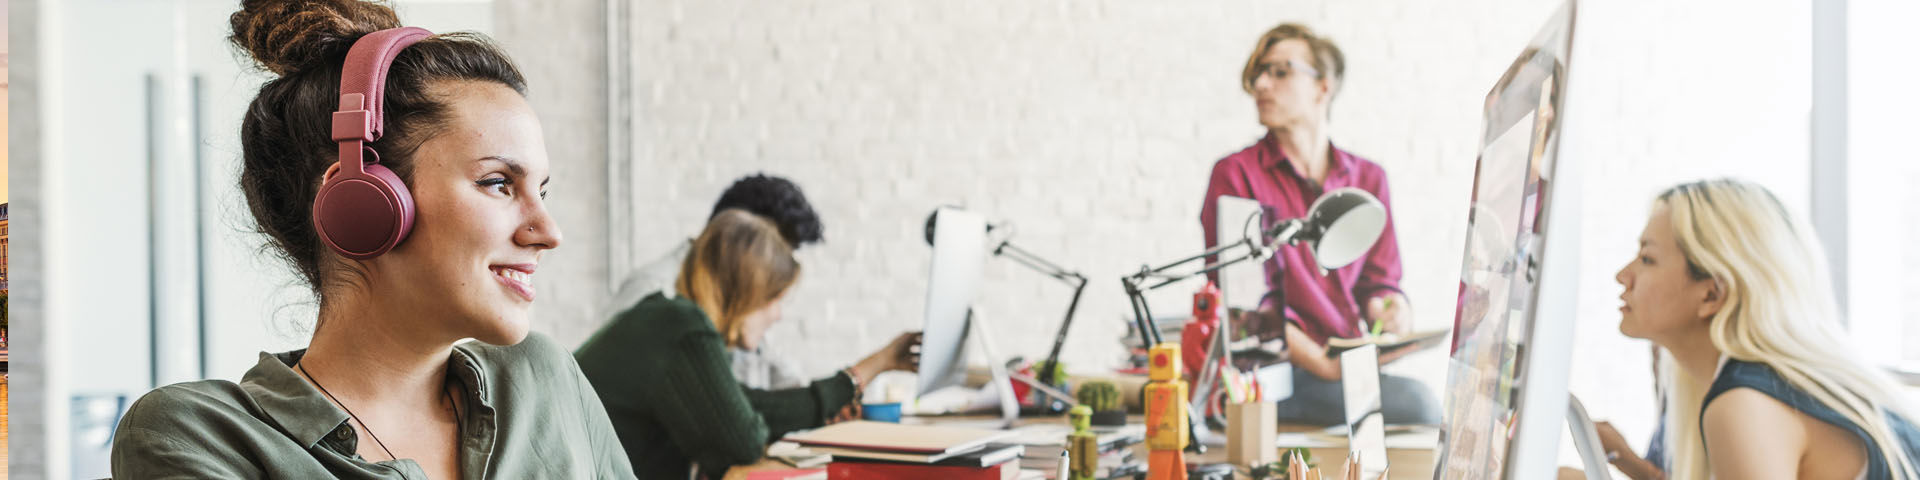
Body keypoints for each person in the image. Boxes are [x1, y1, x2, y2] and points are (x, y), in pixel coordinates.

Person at [110, 1, 632, 478]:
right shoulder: (198, 437)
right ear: (360, 200)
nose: (549, 232)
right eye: (498, 183)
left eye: (541, 190)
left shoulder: (545, 380)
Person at [1198, 22, 1438, 426]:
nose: (1260, 84)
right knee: (1421, 404)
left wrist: (1393, 311)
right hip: (1274, 371)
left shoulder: (1368, 180)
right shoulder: (1235, 175)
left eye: (1279, 71)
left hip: (1345, 364)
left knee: (1419, 408)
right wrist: (1326, 366)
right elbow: (1245, 309)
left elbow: (1380, 282)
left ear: (1323, 88)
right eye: (1258, 73)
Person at [1609, 178, 1920, 480]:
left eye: (1647, 259)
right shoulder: (1767, 386)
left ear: (1712, 294)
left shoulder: (1744, 403)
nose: (1622, 275)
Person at [575, 209, 920, 479]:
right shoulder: (683, 329)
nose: (779, 316)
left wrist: (873, 366)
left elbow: (745, 407)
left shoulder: (668, 318)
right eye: (776, 300)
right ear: (747, 292)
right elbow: (742, 441)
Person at [604, 174, 824, 390]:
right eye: (775, 253)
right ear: (739, 238)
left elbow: (770, 376)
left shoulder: (737, 300)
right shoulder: (651, 291)